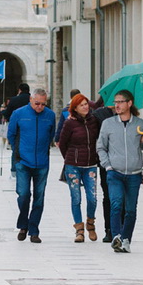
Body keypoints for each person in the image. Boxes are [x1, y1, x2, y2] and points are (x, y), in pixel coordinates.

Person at [97, 89, 143, 253]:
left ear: (129, 103)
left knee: (130, 209)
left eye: (120, 102)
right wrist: (107, 166)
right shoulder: (108, 124)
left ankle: (126, 239)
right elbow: (101, 147)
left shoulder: (140, 124)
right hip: (114, 172)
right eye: (115, 102)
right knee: (116, 204)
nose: (116, 105)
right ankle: (116, 236)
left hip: (134, 174)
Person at [7, 88, 56, 243]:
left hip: (42, 162)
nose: (40, 107)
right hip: (23, 161)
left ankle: (34, 230)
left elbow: (51, 135)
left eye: (43, 104)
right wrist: (18, 153)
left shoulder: (50, 115)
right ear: (30, 100)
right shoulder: (19, 114)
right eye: (37, 103)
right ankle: (23, 225)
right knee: (23, 194)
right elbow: (11, 134)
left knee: (39, 197)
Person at [58, 93, 100, 242]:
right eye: (81, 105)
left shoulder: (94, 120)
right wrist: (69, 157)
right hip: (73, 166)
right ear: (75, 108)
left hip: (90, 165)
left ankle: (90, 223)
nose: (85, 107)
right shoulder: (69, 123)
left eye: (86, 104)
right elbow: (62, 143)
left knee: (93, 198)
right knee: (76, 198)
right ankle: (79, 230)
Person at [91, 97, 118, 242]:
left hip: (125, 163)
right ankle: (109, 229)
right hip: (106, 163)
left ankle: (121, 228)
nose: (117, 104)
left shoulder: (132, 116)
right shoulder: (100, 114)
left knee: (123, 198)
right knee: (108, 196)